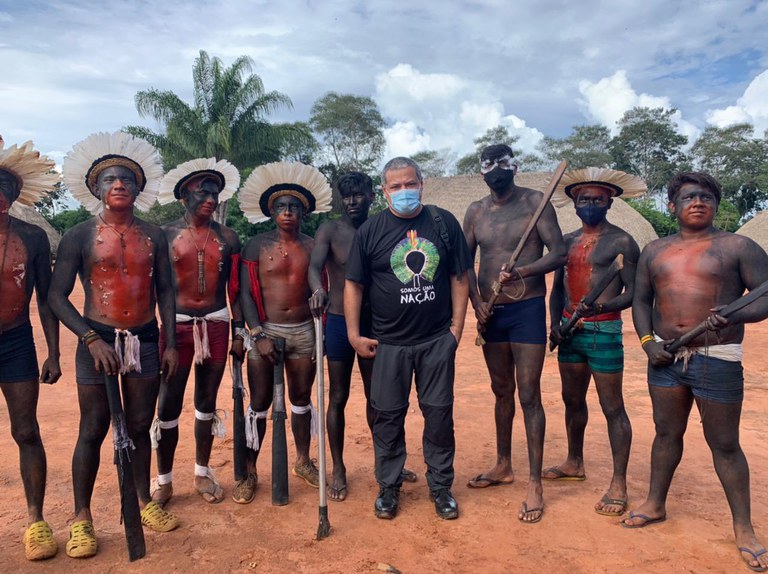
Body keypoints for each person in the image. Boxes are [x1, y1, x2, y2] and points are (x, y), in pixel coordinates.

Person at [624, 172, 768, 573]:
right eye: (689, 197)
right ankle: (655, 503)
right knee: (666, 434)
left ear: (716, 205)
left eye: (706, 197)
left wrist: (734, 317)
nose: (698, 202)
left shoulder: (738, 246)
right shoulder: (655, 250)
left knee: (724, 444)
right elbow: (640, 300)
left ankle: (744, 528)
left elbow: (765, 295)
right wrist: (647, 343)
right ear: (673, 205)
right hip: (665, 360)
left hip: (716, 355)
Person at [51, 132, 180, 559]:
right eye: (109, 179)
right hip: (98, 340)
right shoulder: (79, 236)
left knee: (141, 426)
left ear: (138, 188)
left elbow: (165, 291)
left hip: (143, 339)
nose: (119, 184)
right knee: (93, 428)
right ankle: (82, 518)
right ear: (96, 189)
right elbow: (55, 296)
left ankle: (143, 502)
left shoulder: (154, 236)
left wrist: (169, 341)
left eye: (126, 178)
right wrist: (89, 340)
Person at [345, 156, 472, 520]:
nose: (404, 191)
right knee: (386, 416)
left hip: (435, 341)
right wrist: (354, 334)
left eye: (409, 183)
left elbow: (459, 278)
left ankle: (441, 487)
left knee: (438, 415)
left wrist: (456, 330)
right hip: (388, 344)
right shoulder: (370, 231)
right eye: (396, 186)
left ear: (422, 183)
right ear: (384, 191)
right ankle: (388, 486)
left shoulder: (442, 223)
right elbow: (354, 285)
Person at [462, 144, 566, 524]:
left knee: (529, 394)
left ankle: (535, 482)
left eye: (502, 163)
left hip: (526, 310)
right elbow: (465, 262)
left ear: (514, 167)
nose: (495, 170)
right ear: (482, 172)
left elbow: (558, 254)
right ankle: (503, 464)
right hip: (492, 312)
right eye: (488, 165)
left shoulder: (536, 203)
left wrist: (522, 271)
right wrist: (476, 303)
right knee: (500, 390)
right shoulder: (475, 212)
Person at [308, 172, 417, 502]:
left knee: (380, 398)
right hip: (340, 322)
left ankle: (386, 461)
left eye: (359, 194)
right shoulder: (330, 230)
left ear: (373, 196)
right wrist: (318, 290)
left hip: (377, 323)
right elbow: (315, 267)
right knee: (338, 396)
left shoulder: (384, 227)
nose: (353, 201)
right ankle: (338, 467)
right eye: (347, 195)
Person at [545, 167, 645, 517]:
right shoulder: (567, 241)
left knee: (612, 406)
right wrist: (554, 325)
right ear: (574, 203)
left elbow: (633, 293)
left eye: (597, 199)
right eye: (584, 199)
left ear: (609, 203)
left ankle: (619, 481)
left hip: (604, 331)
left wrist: (601, 306)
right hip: (569, 332)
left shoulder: (622, 242)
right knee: (572, 400)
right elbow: (557, 289)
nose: (590, 204)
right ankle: (575, 461)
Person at [235, 161, 332, 503]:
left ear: (303, 211)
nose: (287, 212)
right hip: (266, 330)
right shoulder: (255, 246)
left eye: (293, 207)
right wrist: (256, 334)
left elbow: (323, 282)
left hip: (305, 330)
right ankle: (249, 470)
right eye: (281, 207)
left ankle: (303, 462)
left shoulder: (312, 246)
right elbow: (245, 293)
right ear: (271, 212)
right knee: (259, 403)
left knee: (301, 401)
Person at [149, 158, 244, 506]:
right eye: (202, 191)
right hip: (178, 328)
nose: (210, 198)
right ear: (183, 196)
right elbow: (160, 289)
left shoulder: (227, 237)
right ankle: (164, 480)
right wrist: (169, 340)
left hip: (217, 324)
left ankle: (203, 472)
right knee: (168, 404)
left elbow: (237, 290)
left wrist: (239, 332)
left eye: (215, 192)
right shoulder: (166, 235)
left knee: (206, 403)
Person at [0, 138, 61, 561]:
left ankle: (36, 520)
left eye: (5, 187)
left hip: (16, 340)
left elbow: (45, 298)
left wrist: (54, 353)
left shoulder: (32, 236)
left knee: (26, 430)